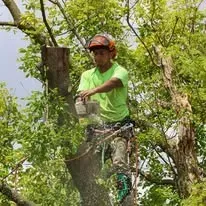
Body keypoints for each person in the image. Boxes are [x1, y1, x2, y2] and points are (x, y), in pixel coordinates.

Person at [77, 34, 133, 203]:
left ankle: (124, 196)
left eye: (101, 53)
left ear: (111, 54)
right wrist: (84, 105)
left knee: (118, 161)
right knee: (90, 167)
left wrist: (94, 91)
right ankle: (92, 198)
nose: (98, 57)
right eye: (95, 54)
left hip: (119, 127)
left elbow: (113, 83)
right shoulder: (87, 75)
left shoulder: (119, 71)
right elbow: (83, 95)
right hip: (98, 127)